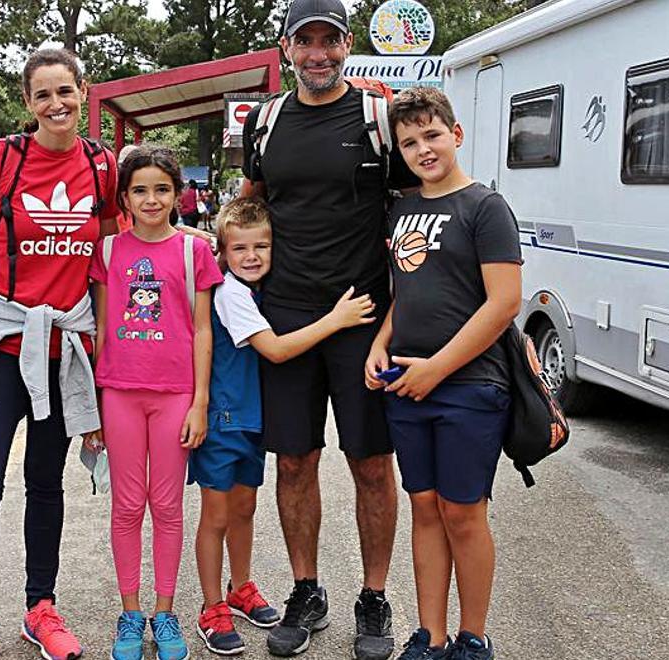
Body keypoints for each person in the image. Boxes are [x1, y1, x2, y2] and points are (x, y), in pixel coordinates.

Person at [239, 0, 418, 656]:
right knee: (293, 460)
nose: (318, 54)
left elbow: (415, 208)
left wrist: (404, 317)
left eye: (330, 41)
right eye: (304, 41)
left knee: (372, 464)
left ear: (346, 45)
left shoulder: (378, 117)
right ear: (285, 47)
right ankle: (306, 590)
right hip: (284, 318)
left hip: (363, 320)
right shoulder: (265, 121)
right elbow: (250, 204)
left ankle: (373, 598)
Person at [0, 48, 118, 660]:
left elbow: (108, 260)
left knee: (46, 481)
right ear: (28, 103)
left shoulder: (102, 165)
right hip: (0, 341)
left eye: (65, 91)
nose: (56, 104)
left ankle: (40, 608)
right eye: (42, 95)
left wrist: (107, 349)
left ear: (83, 91)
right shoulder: (1, 159)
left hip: (63, 346)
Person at [365, 87, 522, 660]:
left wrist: (437, 368)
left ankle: (472, 635)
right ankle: (430, 635)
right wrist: (380, 345)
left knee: (463, 509)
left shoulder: (485, 207)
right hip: (407, 385)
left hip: (470, 386)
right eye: (409, 142)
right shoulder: (402, 209)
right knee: (424, 506)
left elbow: (503, 302)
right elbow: (401, 293)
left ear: (455, 135)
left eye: (431, 135)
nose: (422, 148)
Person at [189, 197, 376, 656]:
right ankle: (212, 606)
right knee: (216, 515)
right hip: (224, 421)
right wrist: (335, 320)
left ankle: (241, 587)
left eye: (262, 247)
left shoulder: (256, 287)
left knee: (245, 509)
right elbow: (273, 350)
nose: (252, 257)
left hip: (252, 421)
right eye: (240, 250)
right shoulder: (232, 293)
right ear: (224, 253)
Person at [86, 144, 222, 660]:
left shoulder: (194, 252)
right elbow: (100, 328)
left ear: (177, 195)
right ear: (124, 196)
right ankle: (130, 612)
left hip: (176, 396)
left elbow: (204, 331)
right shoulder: (107, 252)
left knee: (166, 506)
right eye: (139, 190)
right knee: (126, 505)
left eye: (161, 189)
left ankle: (165, 613)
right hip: (119, 392)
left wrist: (199, 402)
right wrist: (94, 406)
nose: (151, 199)